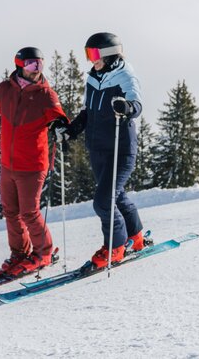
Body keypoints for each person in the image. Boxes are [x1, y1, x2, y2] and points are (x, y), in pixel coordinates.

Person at [0, 46, 68, 279]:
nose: (36, 69)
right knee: (11, 212)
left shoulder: (46, 94)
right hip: (8, 164)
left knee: (29, 211)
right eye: (31, 64)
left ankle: (44, 252)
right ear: (19, 65)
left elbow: (59, 118)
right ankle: (19, 253)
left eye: (40, 64)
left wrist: (59, 125)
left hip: (33, 165)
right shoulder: (4, 90)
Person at [64, 31, 146, 270]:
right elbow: (87, 112)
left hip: (121, 150)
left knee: (103, 201)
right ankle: (136, 236)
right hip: (98, 149)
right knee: (116, 196)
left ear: (110, 54)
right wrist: (72, 130)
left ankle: (116, 247)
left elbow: (136, 104)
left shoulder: (125, 76)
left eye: (95, 53)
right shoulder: (93, 78)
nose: (91, 59)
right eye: (88, 54)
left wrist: (127, 106)